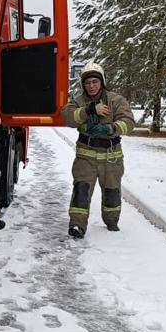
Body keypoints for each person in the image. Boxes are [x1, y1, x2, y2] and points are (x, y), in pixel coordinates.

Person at [60, 61, 135, 238]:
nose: (91, 86)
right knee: (81, 190)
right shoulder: (78, 102)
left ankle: (111, 221)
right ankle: (77, 225)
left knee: (112, 191)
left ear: (101, 82)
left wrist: (109, 129)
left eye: (95, 82)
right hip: (86, 157)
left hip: (111, 157)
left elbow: (129, 123)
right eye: (87, 83)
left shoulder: (116, 100)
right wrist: (89, 110)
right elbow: (68, 117)